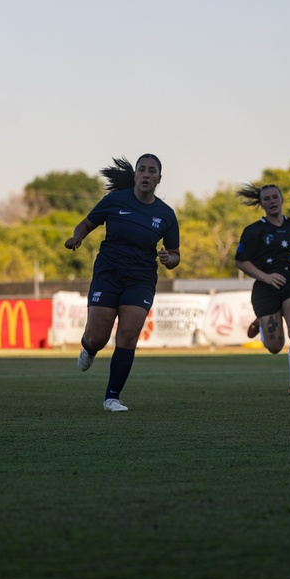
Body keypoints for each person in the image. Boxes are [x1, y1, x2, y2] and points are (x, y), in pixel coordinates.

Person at [65, 154, 180, 412]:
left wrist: (168, 259)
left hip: (140, 279)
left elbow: (175, 255)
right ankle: (88, 348)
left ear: (159, 178)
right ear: (136, 175)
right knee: (97, 337)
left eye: (152, 171)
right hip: (108, 273)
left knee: (128, 335)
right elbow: (85, 224)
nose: (147, 174)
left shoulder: (166, 214)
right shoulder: (115, 201)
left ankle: (112, 398)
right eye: (142, 169)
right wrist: (77, 237)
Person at [235, 183, 290, 396]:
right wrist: (265, 276)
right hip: (265, 288)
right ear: (261, 204)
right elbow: (240, 261)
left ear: (282, 199)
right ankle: (262, 323)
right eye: (266, 199)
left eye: (275, 197)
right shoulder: (253, 231)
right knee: (275, 347)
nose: (272, 201)